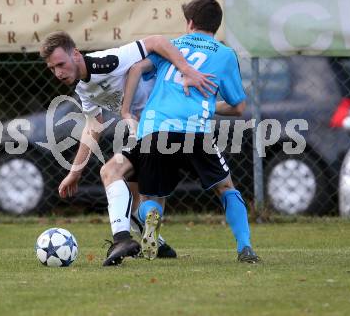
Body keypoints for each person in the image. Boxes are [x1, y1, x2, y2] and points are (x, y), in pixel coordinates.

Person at [102, 0, 260, 265]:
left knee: (151, 195)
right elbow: (239, 107)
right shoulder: (223, 54)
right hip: (194, 130)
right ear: (216, 26)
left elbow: (137, 68)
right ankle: (245, 248)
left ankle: (150, 221)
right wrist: (207, 107)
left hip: (154, 129)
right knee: (225, 188)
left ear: (189, 23)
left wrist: (126, 110)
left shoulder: (171, 47)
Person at [39, 31, 217, 265]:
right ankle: (158, 245)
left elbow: (157, 41)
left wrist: (187, 70)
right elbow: (93, 126)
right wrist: (74, 173)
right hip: (148, 132)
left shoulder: (109, 61)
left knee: (110, 172)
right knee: (130, 199)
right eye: (52, 69)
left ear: (76, 54)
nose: (58, 73)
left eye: (61, 64)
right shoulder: (84, 87)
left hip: (164, 126)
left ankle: (122, 239)